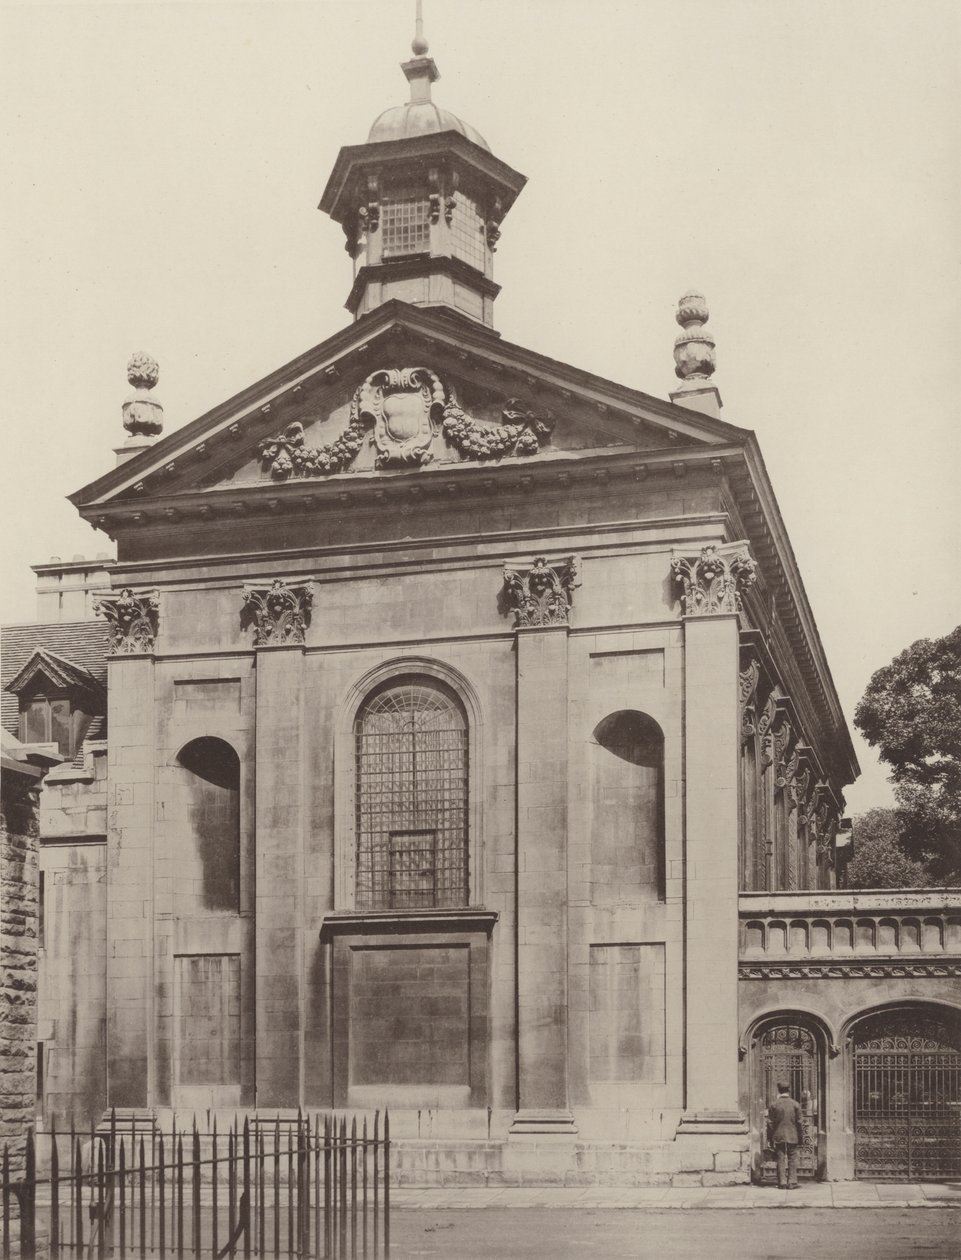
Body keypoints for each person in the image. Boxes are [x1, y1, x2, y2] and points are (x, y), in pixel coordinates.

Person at [767, 1081, 804, 1189]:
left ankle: (782, 1182)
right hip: (793, 1135)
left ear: (779, 1090)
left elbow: (770, 1123)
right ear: (789, 1090)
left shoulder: (774, 1105)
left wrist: (770, 1137)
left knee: (780, 1158)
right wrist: (801, 1136)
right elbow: (800, 1123)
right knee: (792, 1158)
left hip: (778, 1136)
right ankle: (792, 1182)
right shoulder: (795, 1104)